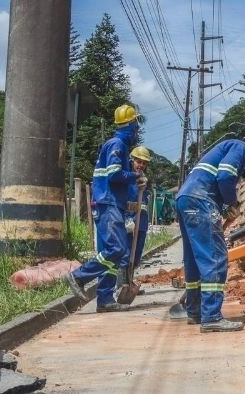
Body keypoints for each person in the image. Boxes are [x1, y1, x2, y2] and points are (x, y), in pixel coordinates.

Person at [175, 130, 245, 333]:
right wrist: (232, 202)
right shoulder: (239, 147)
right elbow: (225, 175)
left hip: (186, 198)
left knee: (194, 259)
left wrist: (226, 206)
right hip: (201, 200)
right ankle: (211, 316)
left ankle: (195, 311)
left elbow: (218, 177)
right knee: (215, 258)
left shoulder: (224, 148)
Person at [65, 104, 147, 312]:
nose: (137, 131)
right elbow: (114, 175)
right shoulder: (117, 144)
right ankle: (78, 276)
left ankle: (104, 299)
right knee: (116, 249)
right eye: (136, 125)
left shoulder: (118, 145)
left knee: (112, 253)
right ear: (129, 125)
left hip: (111, 203)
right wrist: (135, 176)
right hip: (108, 203)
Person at [125, 146, 152, 268]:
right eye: (138, 162)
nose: (141, 165)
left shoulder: (144, 179)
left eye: (144, 163)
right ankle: (123, 282)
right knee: (126, 254)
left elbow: (144, 203)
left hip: (141, 223)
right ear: (132, 161)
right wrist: (128, 219)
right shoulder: (127, 177)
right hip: (129, 223)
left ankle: (130, 281)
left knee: (136, 256)